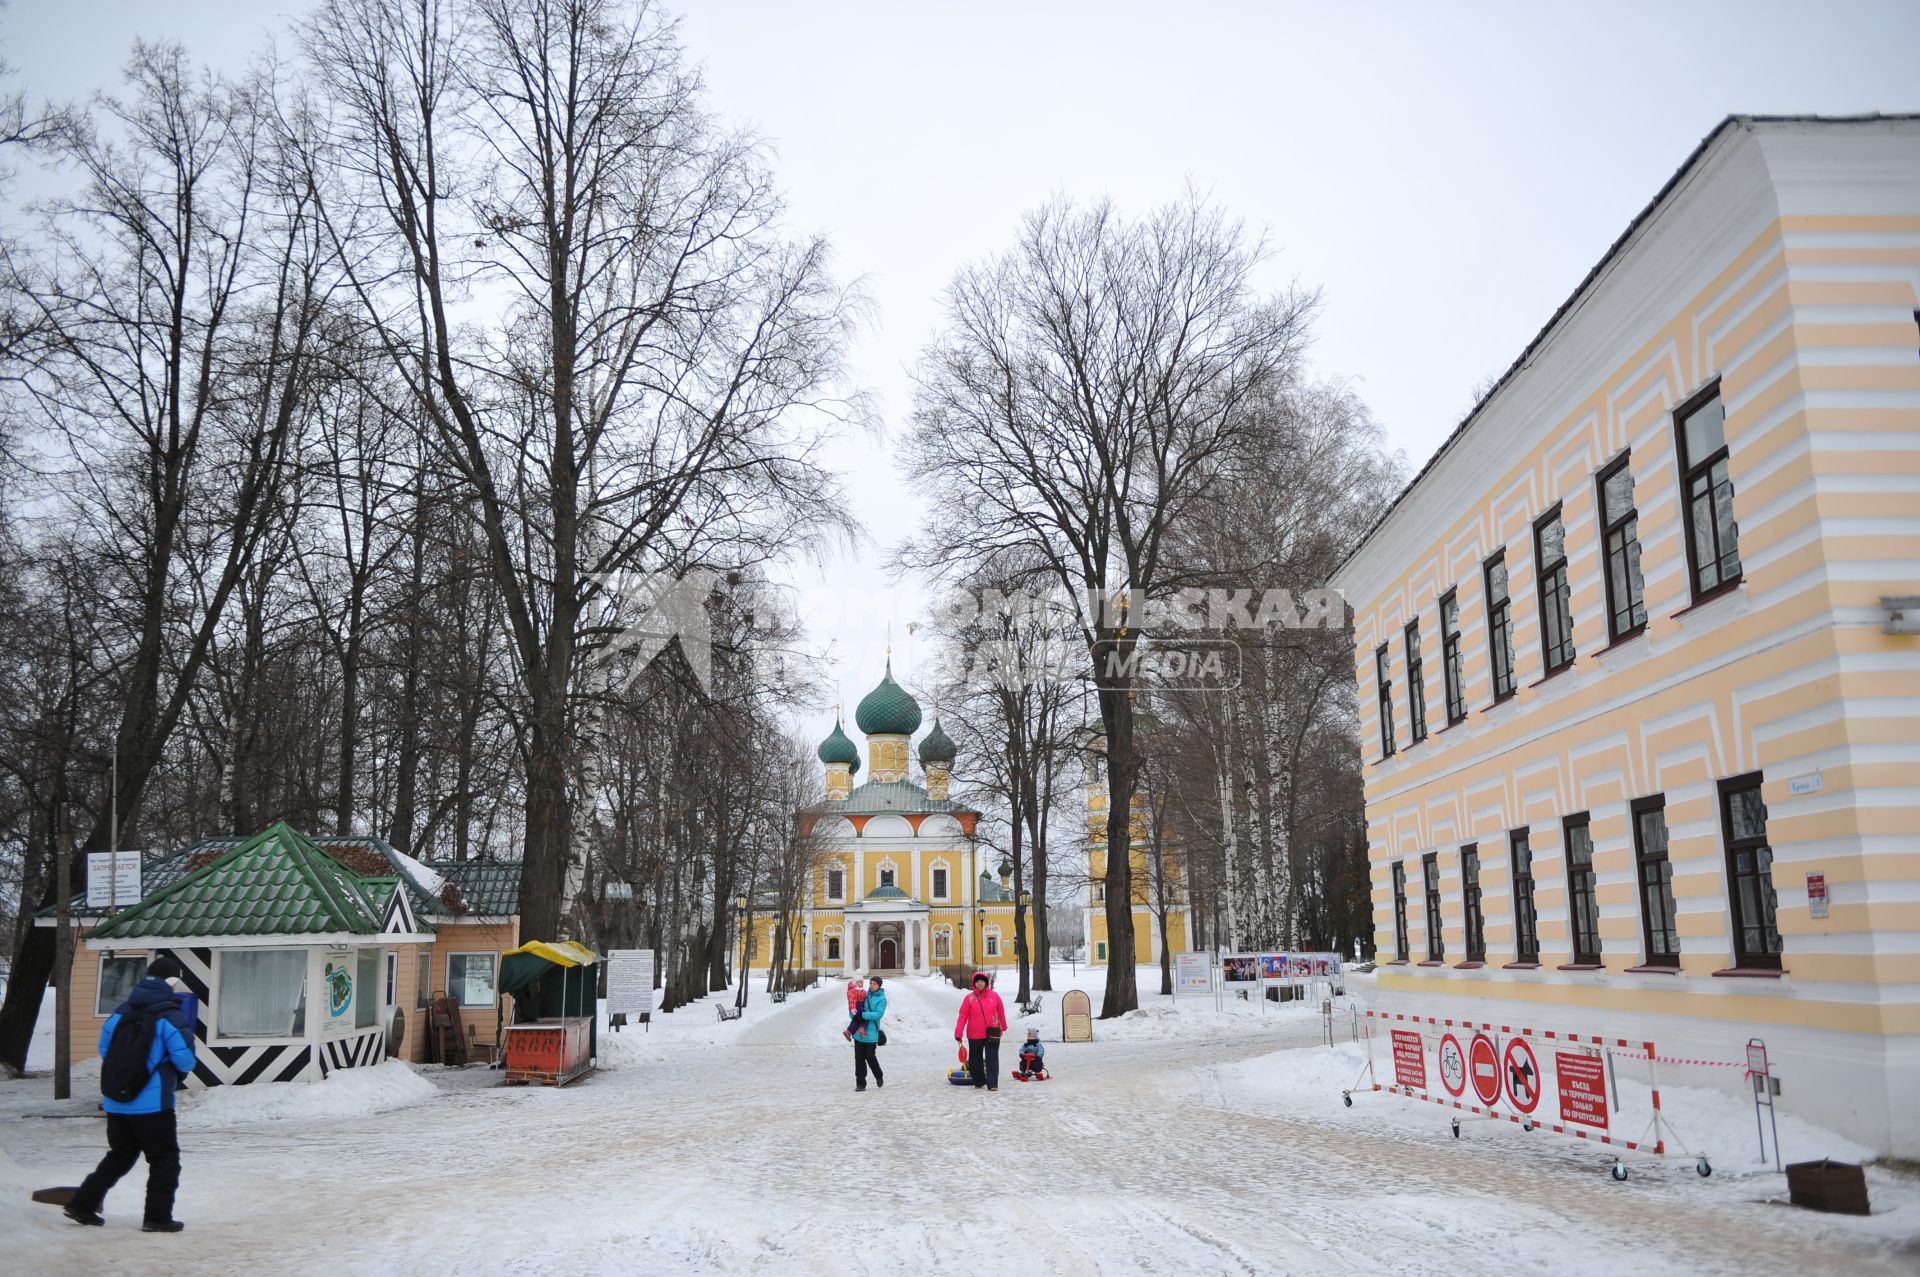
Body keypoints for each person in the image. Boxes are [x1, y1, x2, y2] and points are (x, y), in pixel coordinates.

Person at [65, 954, 198, 1232]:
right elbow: (185, 1061)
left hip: (116, 1100)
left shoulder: (121, 1011)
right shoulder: (170, 1016)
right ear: (172, 982)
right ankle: (157, 1218)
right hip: (152, 1105)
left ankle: (82, 1204)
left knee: (120, 1155)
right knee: (164, 1160)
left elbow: (105, 1050)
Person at [953, 970, 1008, 1091]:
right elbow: (962, 1016)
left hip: (992, 1032)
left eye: (982, 981)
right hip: (974, 1034)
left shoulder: (994, 996)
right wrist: (958, 1032)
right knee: (975, 1060)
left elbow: (1000, 1012)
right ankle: (979, 1080)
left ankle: (992, 1083)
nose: (979, 983)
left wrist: (1003, 1026)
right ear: (973, 983)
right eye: (977, 981)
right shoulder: (969, 998)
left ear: (986, 982)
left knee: (992, 1058)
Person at [851, 975, 887, 1092]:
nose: (872, 986)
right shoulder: (863, 995)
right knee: (859, 1058)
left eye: (874, 984)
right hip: (858, 1033)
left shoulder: (882, 999)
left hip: (871, 1034)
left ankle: (878, 1075)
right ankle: (861, 1083)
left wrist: (863, 1015)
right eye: (871, 983)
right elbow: (854, 1007)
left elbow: (878, 1014)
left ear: (879, 986)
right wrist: (853, 1014)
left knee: (870, 1057)